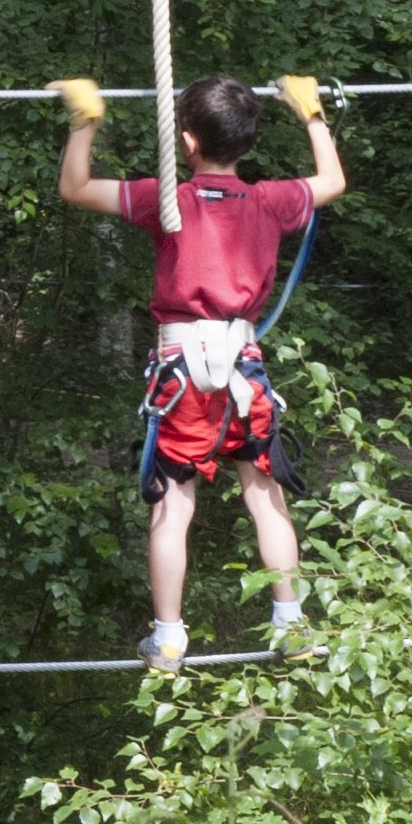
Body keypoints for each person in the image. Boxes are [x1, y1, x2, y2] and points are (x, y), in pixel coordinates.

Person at [52, 70, 343, 671]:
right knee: (266, 500)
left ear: (187, 141)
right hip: (242, 367)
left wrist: (87, 122)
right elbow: (333, 181)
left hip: (181, 371)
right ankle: (291, 624)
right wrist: (311, 115)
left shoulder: (169, 200)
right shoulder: (269, 200)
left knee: (172, 508)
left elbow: (75, 188)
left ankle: (169, 636)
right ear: (248, 140)